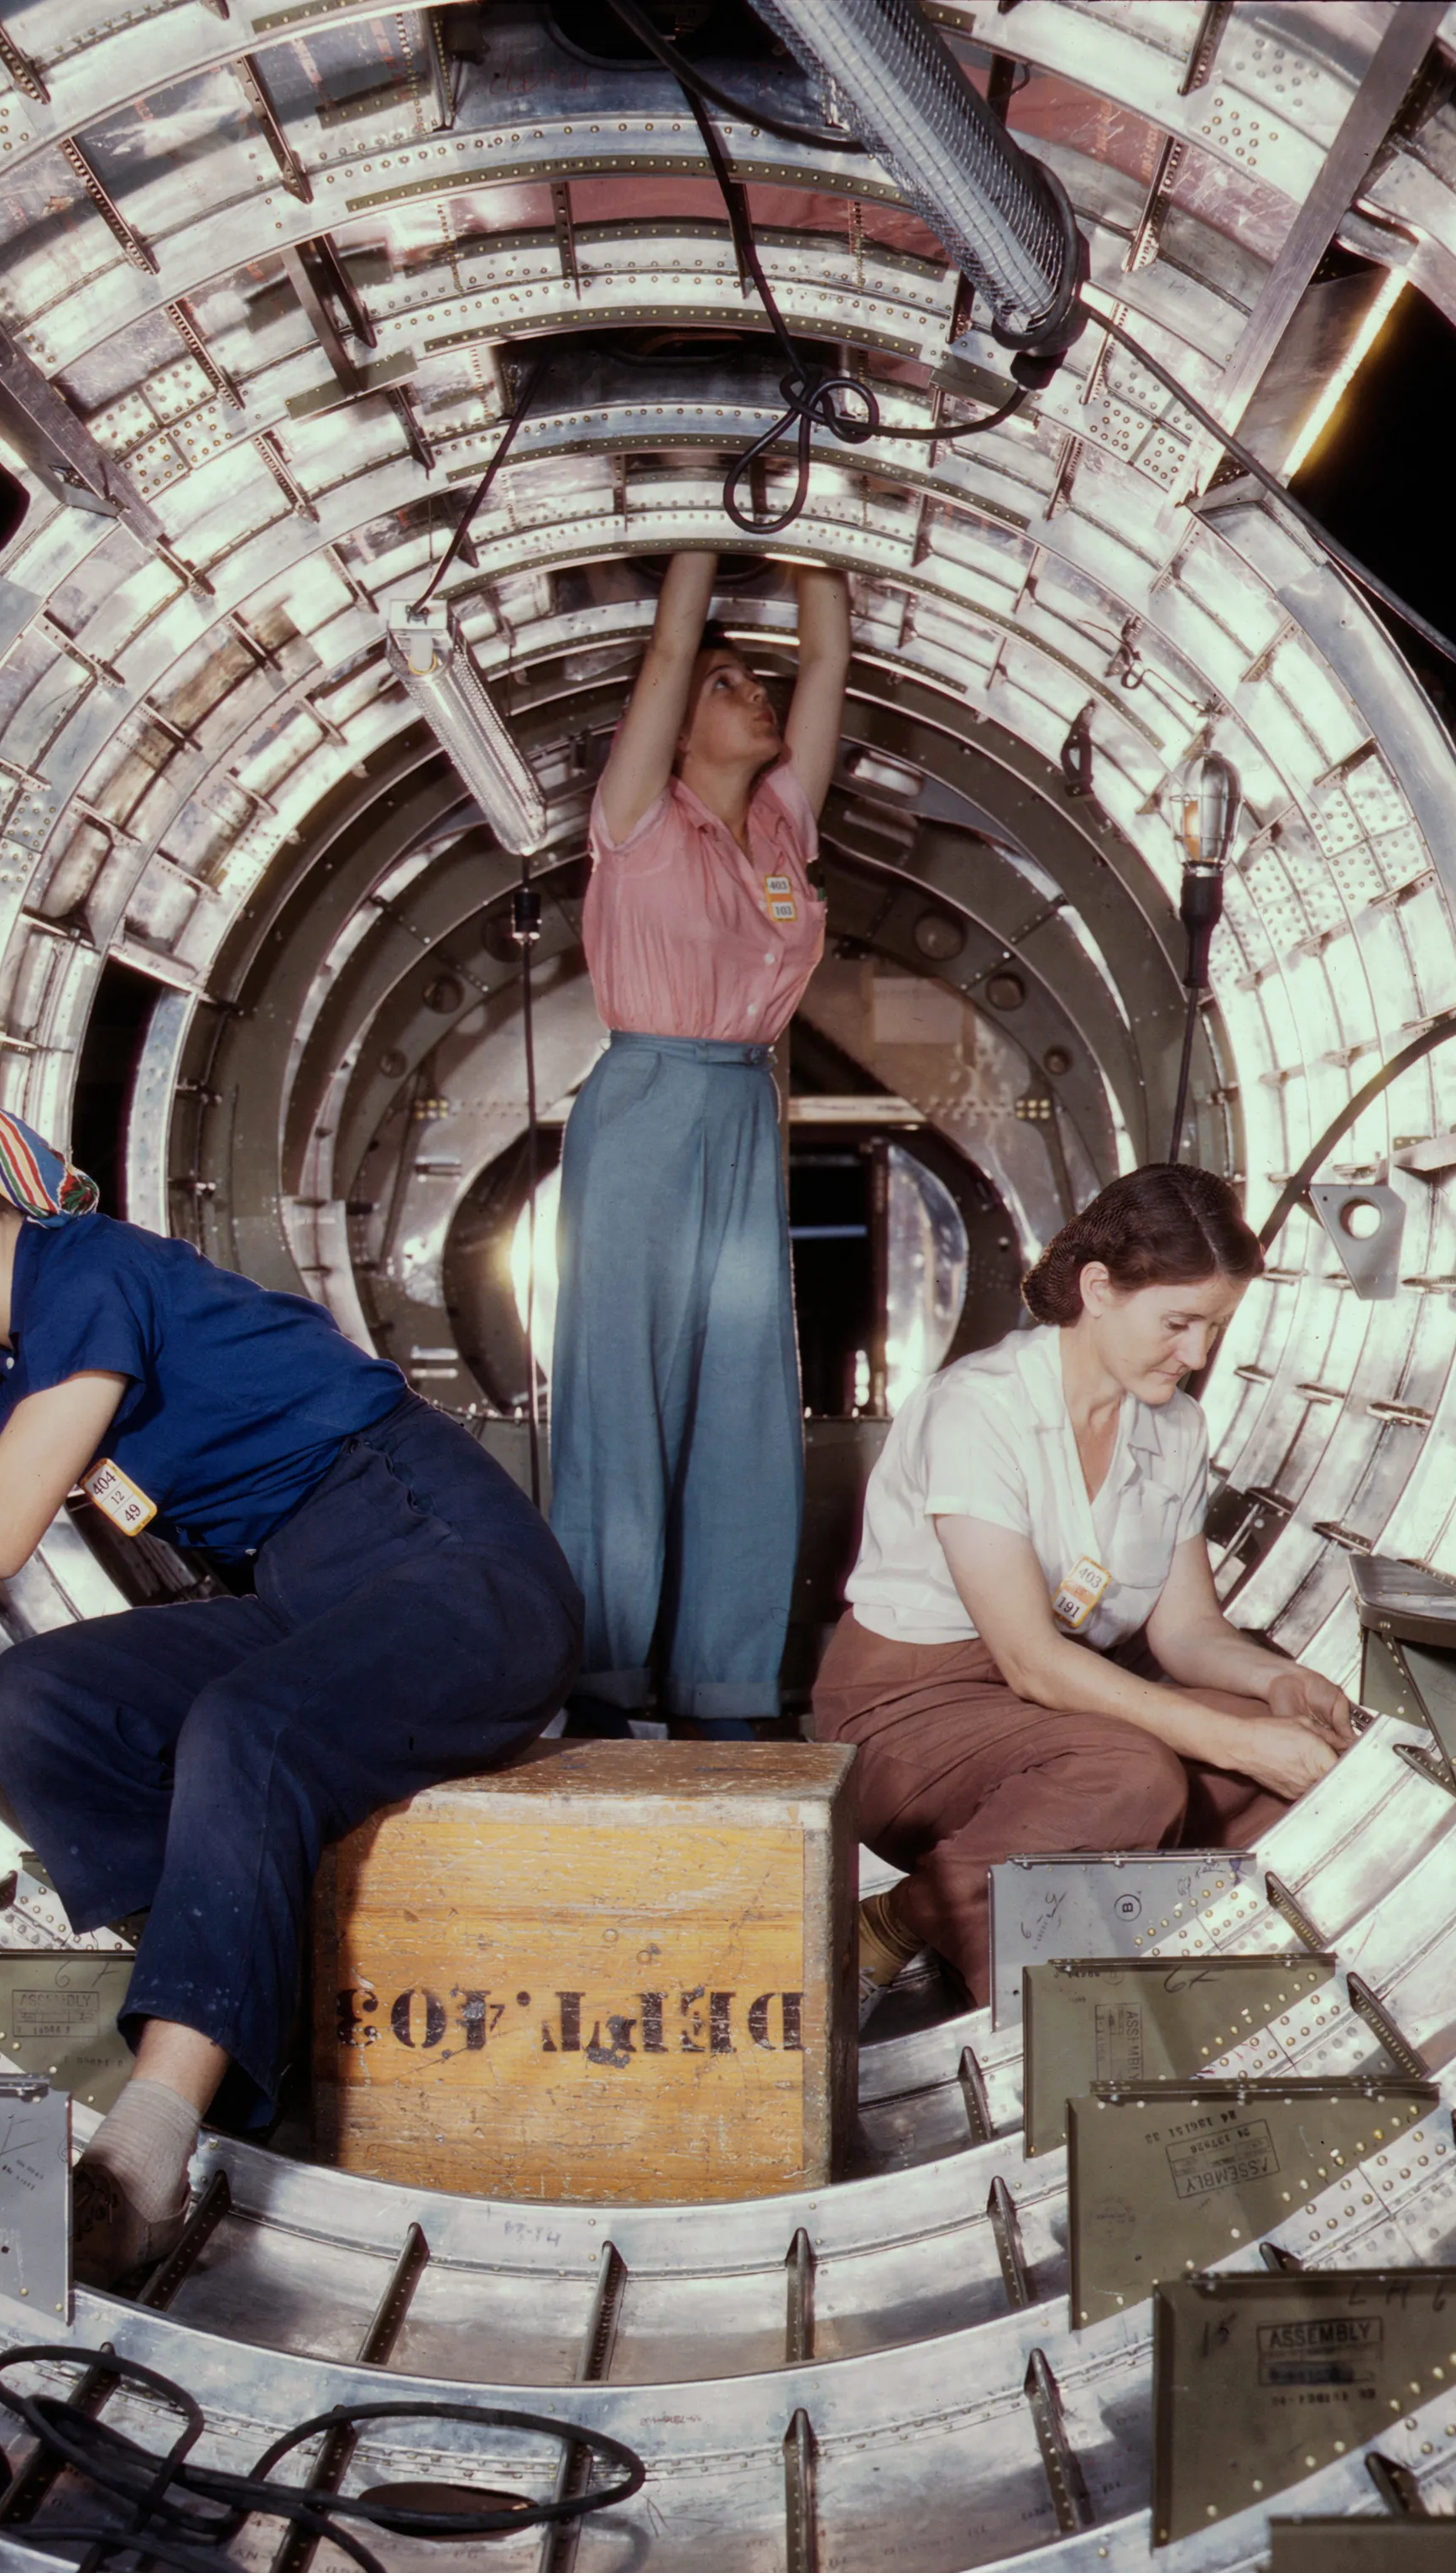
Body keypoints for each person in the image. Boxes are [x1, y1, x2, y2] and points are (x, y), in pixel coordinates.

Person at [0, 1078, 582, 2281]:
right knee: (42, 1699)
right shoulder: (30, 1370)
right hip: (315, 1597)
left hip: (458, 1573)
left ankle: (146, 2154)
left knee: (247, 1726)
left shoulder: (86, 1273)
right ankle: (225, 2011)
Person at [812, 1163, 1357, 2014]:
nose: (1197, 1355)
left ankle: (1157, 1978)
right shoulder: (978, 1408)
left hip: (1055, 1715)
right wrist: (1231, 1741)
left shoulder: (1174, 1425)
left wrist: (1276, 1685)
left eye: (1214, 1327)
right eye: (1177, 1323)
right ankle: (909, 1925)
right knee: (1133, 1772)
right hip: (909, 1713)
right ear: (1097, 1288)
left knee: (1272, 1747)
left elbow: (1185, 1634)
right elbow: (1031, 1662)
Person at [552, 548, 851, 1737]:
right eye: (729, 686)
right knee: (619, 1398)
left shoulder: (782, 826)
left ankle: (726, 1689)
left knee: (745, 1401)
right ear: (674, 728)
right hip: (644, 1104)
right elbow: (671, 650)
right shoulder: (636, 818)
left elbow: (827, 650)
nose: (756, 693)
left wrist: (818, 525)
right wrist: (699, 537)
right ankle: (603, 1680)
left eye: (755, 683)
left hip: (740, 1107)